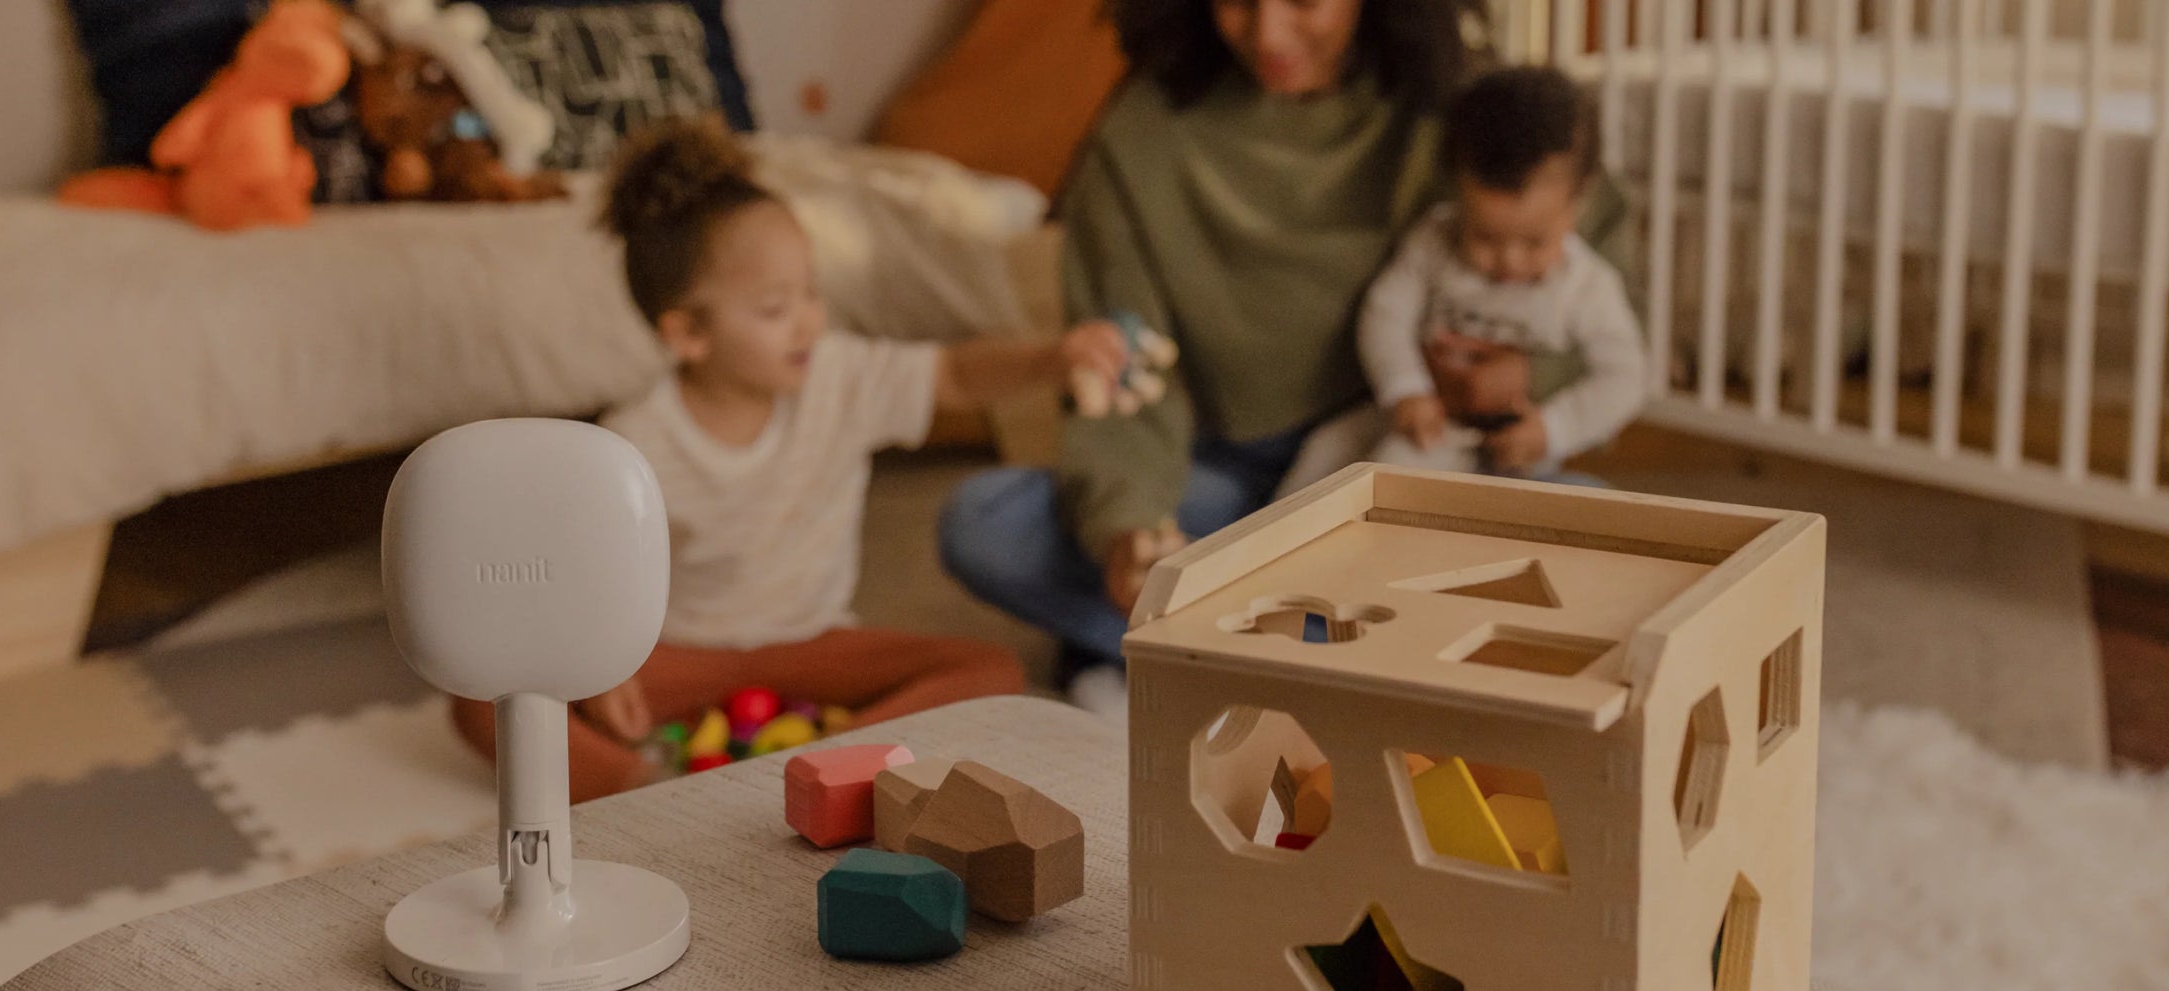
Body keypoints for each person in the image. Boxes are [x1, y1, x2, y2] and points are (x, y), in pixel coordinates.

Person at [939, 0, 1623, 711]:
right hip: (1230, 481)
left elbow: (1597, 268)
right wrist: (1129, 528)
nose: (1265, 34)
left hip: (1414, 463)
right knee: (985, 522)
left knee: (1607, 544)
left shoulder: (1457, 105)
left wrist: (1532, 377)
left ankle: (1213, 654)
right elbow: (1125, 368)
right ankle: (1352, 664)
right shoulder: (1143, 134)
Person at [455, 117, 1122, 802]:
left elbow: (953, 375)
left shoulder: (838, 377)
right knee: (483, 702)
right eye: (776, 308)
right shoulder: (635, 442)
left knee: (993, 673)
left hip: (815, 651)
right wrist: (602, 669)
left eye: (811, 292)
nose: (808, 322)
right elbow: (571, 574)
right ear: (687, 333)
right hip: (683, 663)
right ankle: (654, 792)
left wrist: (1050, 358)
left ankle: (811, 768)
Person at [1277, 66, 1646, 494]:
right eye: (1485, 237)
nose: (1509, 260)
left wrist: (1552, 430)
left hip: (1508, 443)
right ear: (1457, 191)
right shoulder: (1435, 241)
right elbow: (1386, 312)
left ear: (1578, 202)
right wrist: (1404, 388)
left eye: (1534, 242)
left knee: (1393, 477)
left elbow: (1626, 377)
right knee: (1325, 450)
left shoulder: (1586, 286)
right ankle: (1265, 547)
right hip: (1421, 410)